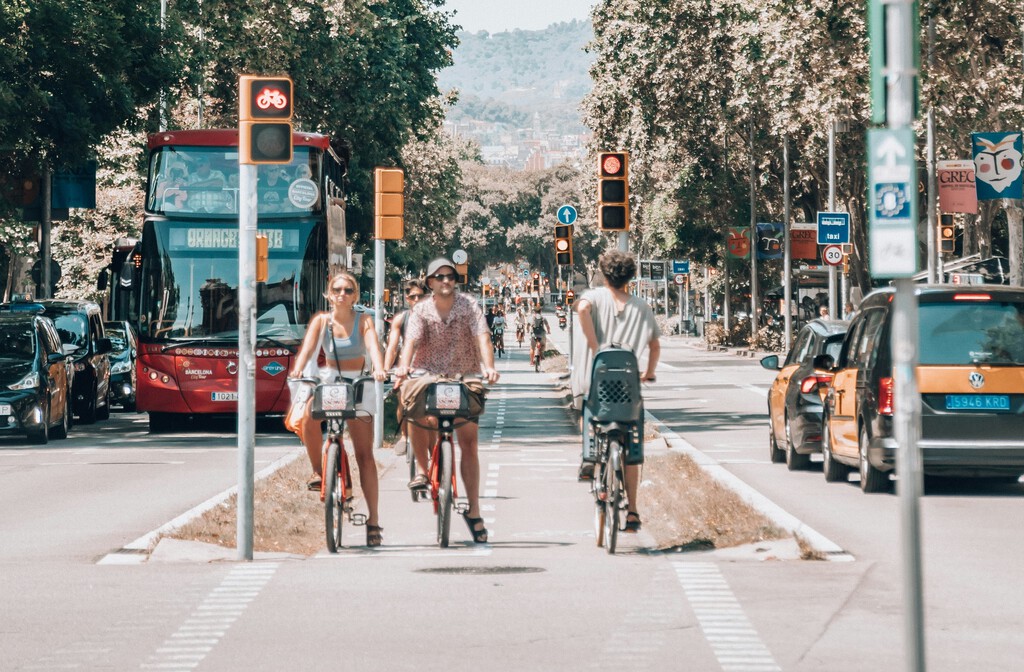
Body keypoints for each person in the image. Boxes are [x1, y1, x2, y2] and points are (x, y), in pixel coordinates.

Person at [394, 258, 500, 544]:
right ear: (430, 282)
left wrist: (489, 367)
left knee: (469, 442)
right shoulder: (421, 310)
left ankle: (474, 510)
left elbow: (483, 338)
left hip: (463, 374)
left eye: (450, 276)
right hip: (427, 373)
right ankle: (423, 469)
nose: (445, 281)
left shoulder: (469, 306)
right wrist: (403, 368)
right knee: (412, 404)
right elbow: (410, 343)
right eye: (439, 277)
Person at [289, 271, 388, 547]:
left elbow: (373, 347)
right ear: (328, 295)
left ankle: (373, 520)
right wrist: (298, 369)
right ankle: (318, 471)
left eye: (347, 290)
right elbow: (307, 351)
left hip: (358, 383)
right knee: (308, 418)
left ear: (355, 296)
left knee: (365, 454)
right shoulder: (321, 321)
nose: (342, 294)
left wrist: (379, 369)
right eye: (337, 290)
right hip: (331, 381)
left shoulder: (364, 321)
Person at [570, 250, 661, 534]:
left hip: (595, 384)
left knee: (588, 413)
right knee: (631, 447)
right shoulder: (642, 307)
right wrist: (648, 373)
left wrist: (595, 345)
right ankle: (632, 511)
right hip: (628, 389)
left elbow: (581, 309)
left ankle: (589, 456)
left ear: (604, 274)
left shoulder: (594, 297)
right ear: (631, 276)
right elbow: (655, 346)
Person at [383, 278, 429, 454]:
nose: (417, 300)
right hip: (406, 368)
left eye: (420, 296)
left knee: (435, 409)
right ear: (407, 299)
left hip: (430, 368)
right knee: (402, 400)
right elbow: (392, 348)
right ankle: (404, 436)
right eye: (413, 297)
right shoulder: (401, 319)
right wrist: (385, 370)